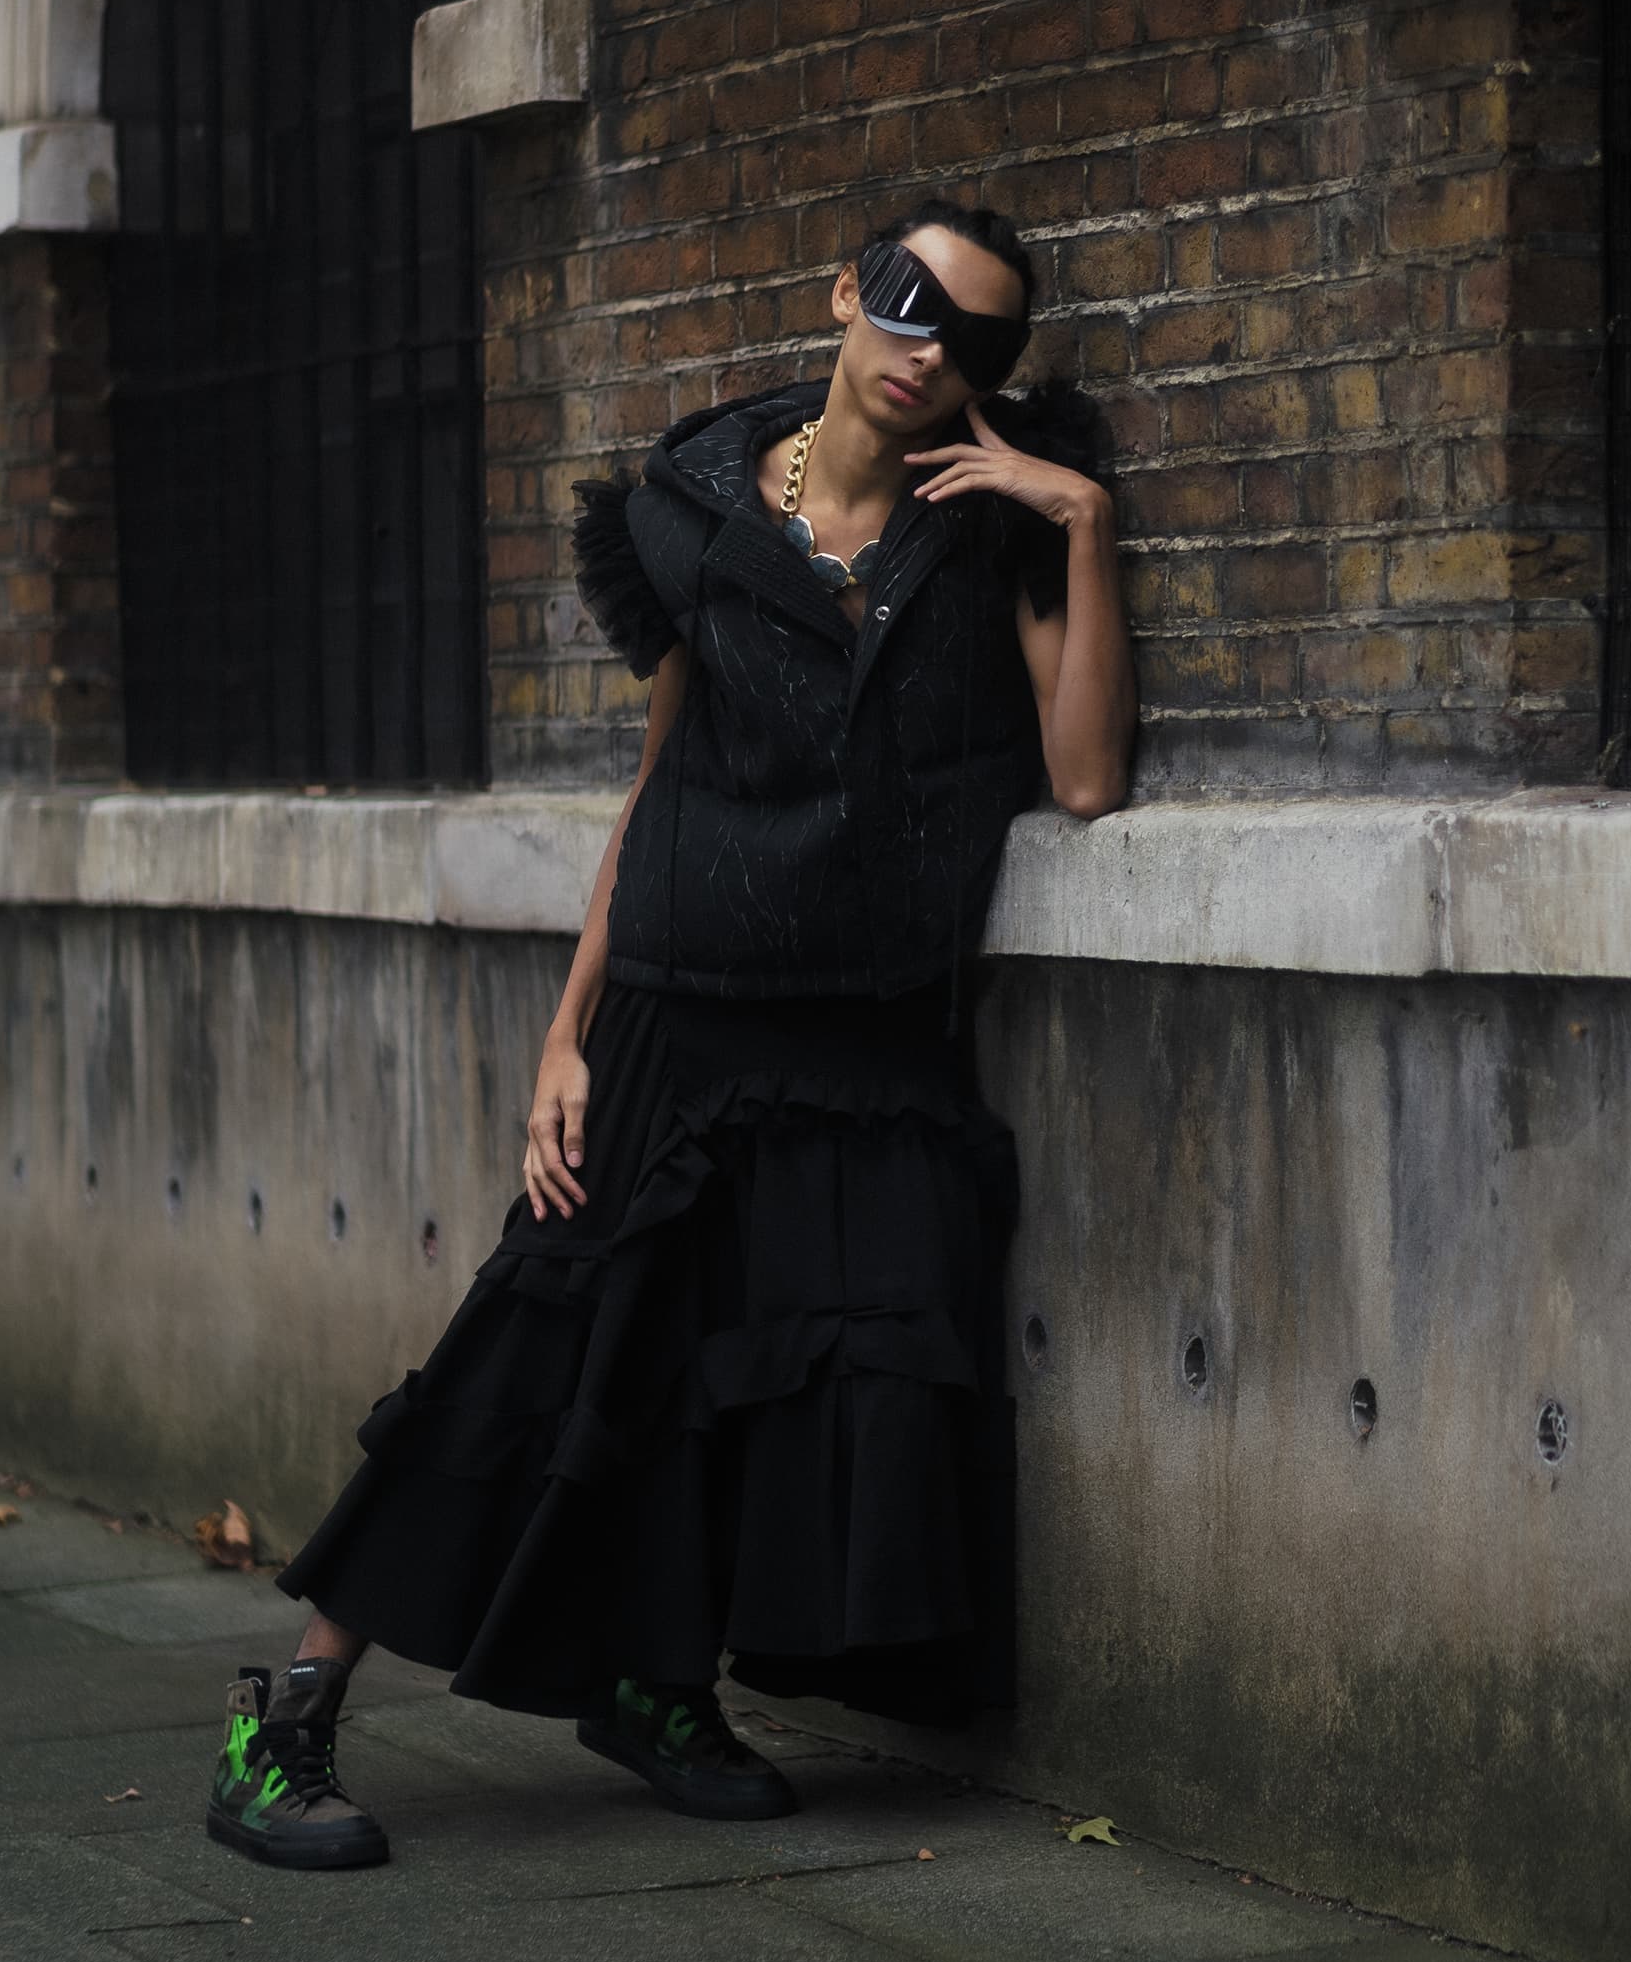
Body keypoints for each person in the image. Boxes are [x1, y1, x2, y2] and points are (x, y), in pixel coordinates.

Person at [205, 198, 1136, 1871]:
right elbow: (657, 792)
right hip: (682, 1019)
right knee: (543, 1353)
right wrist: (565, 1040)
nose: (932, 353)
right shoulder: (698, 513)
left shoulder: (995, 525)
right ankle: (281, 1723)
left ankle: (654, 1687)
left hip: (871, 1044)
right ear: (845, 294)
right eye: (913, 306)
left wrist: (1074, 524)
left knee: (781, 1389)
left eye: (977, 340)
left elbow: (1080, 778)